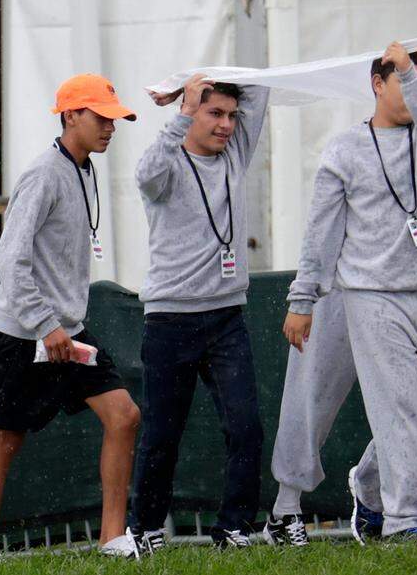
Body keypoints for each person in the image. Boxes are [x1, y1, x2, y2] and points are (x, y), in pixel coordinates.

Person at [265, 56, 417, 547]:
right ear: (376, 85)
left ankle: (370, 486)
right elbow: (320, 230)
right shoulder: (344, 149)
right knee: (384, 405)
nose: (415, 92)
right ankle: (408, 521)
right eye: (404, 83)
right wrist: (303, 298)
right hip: (365, 293)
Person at [0, 74, 142, 559]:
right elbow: (10, 258)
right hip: (25, 335)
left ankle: (112, 538)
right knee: (5, 439)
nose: (111, 127)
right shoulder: (44, 174)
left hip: (68, 332)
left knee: (125, 416)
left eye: (115, 119)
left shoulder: (83, 168)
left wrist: (60, 327)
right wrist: (45, 326)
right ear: (71, 116)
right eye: (102, 117)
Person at [128, 74, 269, 551]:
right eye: (215, 114)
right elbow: (145, 174)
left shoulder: (234, 156)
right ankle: (145, 530)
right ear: (190, 115)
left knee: (246, 427)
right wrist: (183, 105)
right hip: (170, 319)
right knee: (162, 435)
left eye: (232, 116)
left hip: (227, 315)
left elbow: (260, 87)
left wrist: (200, 75)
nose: (227, 125)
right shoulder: (166, 162)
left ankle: (235, 528)